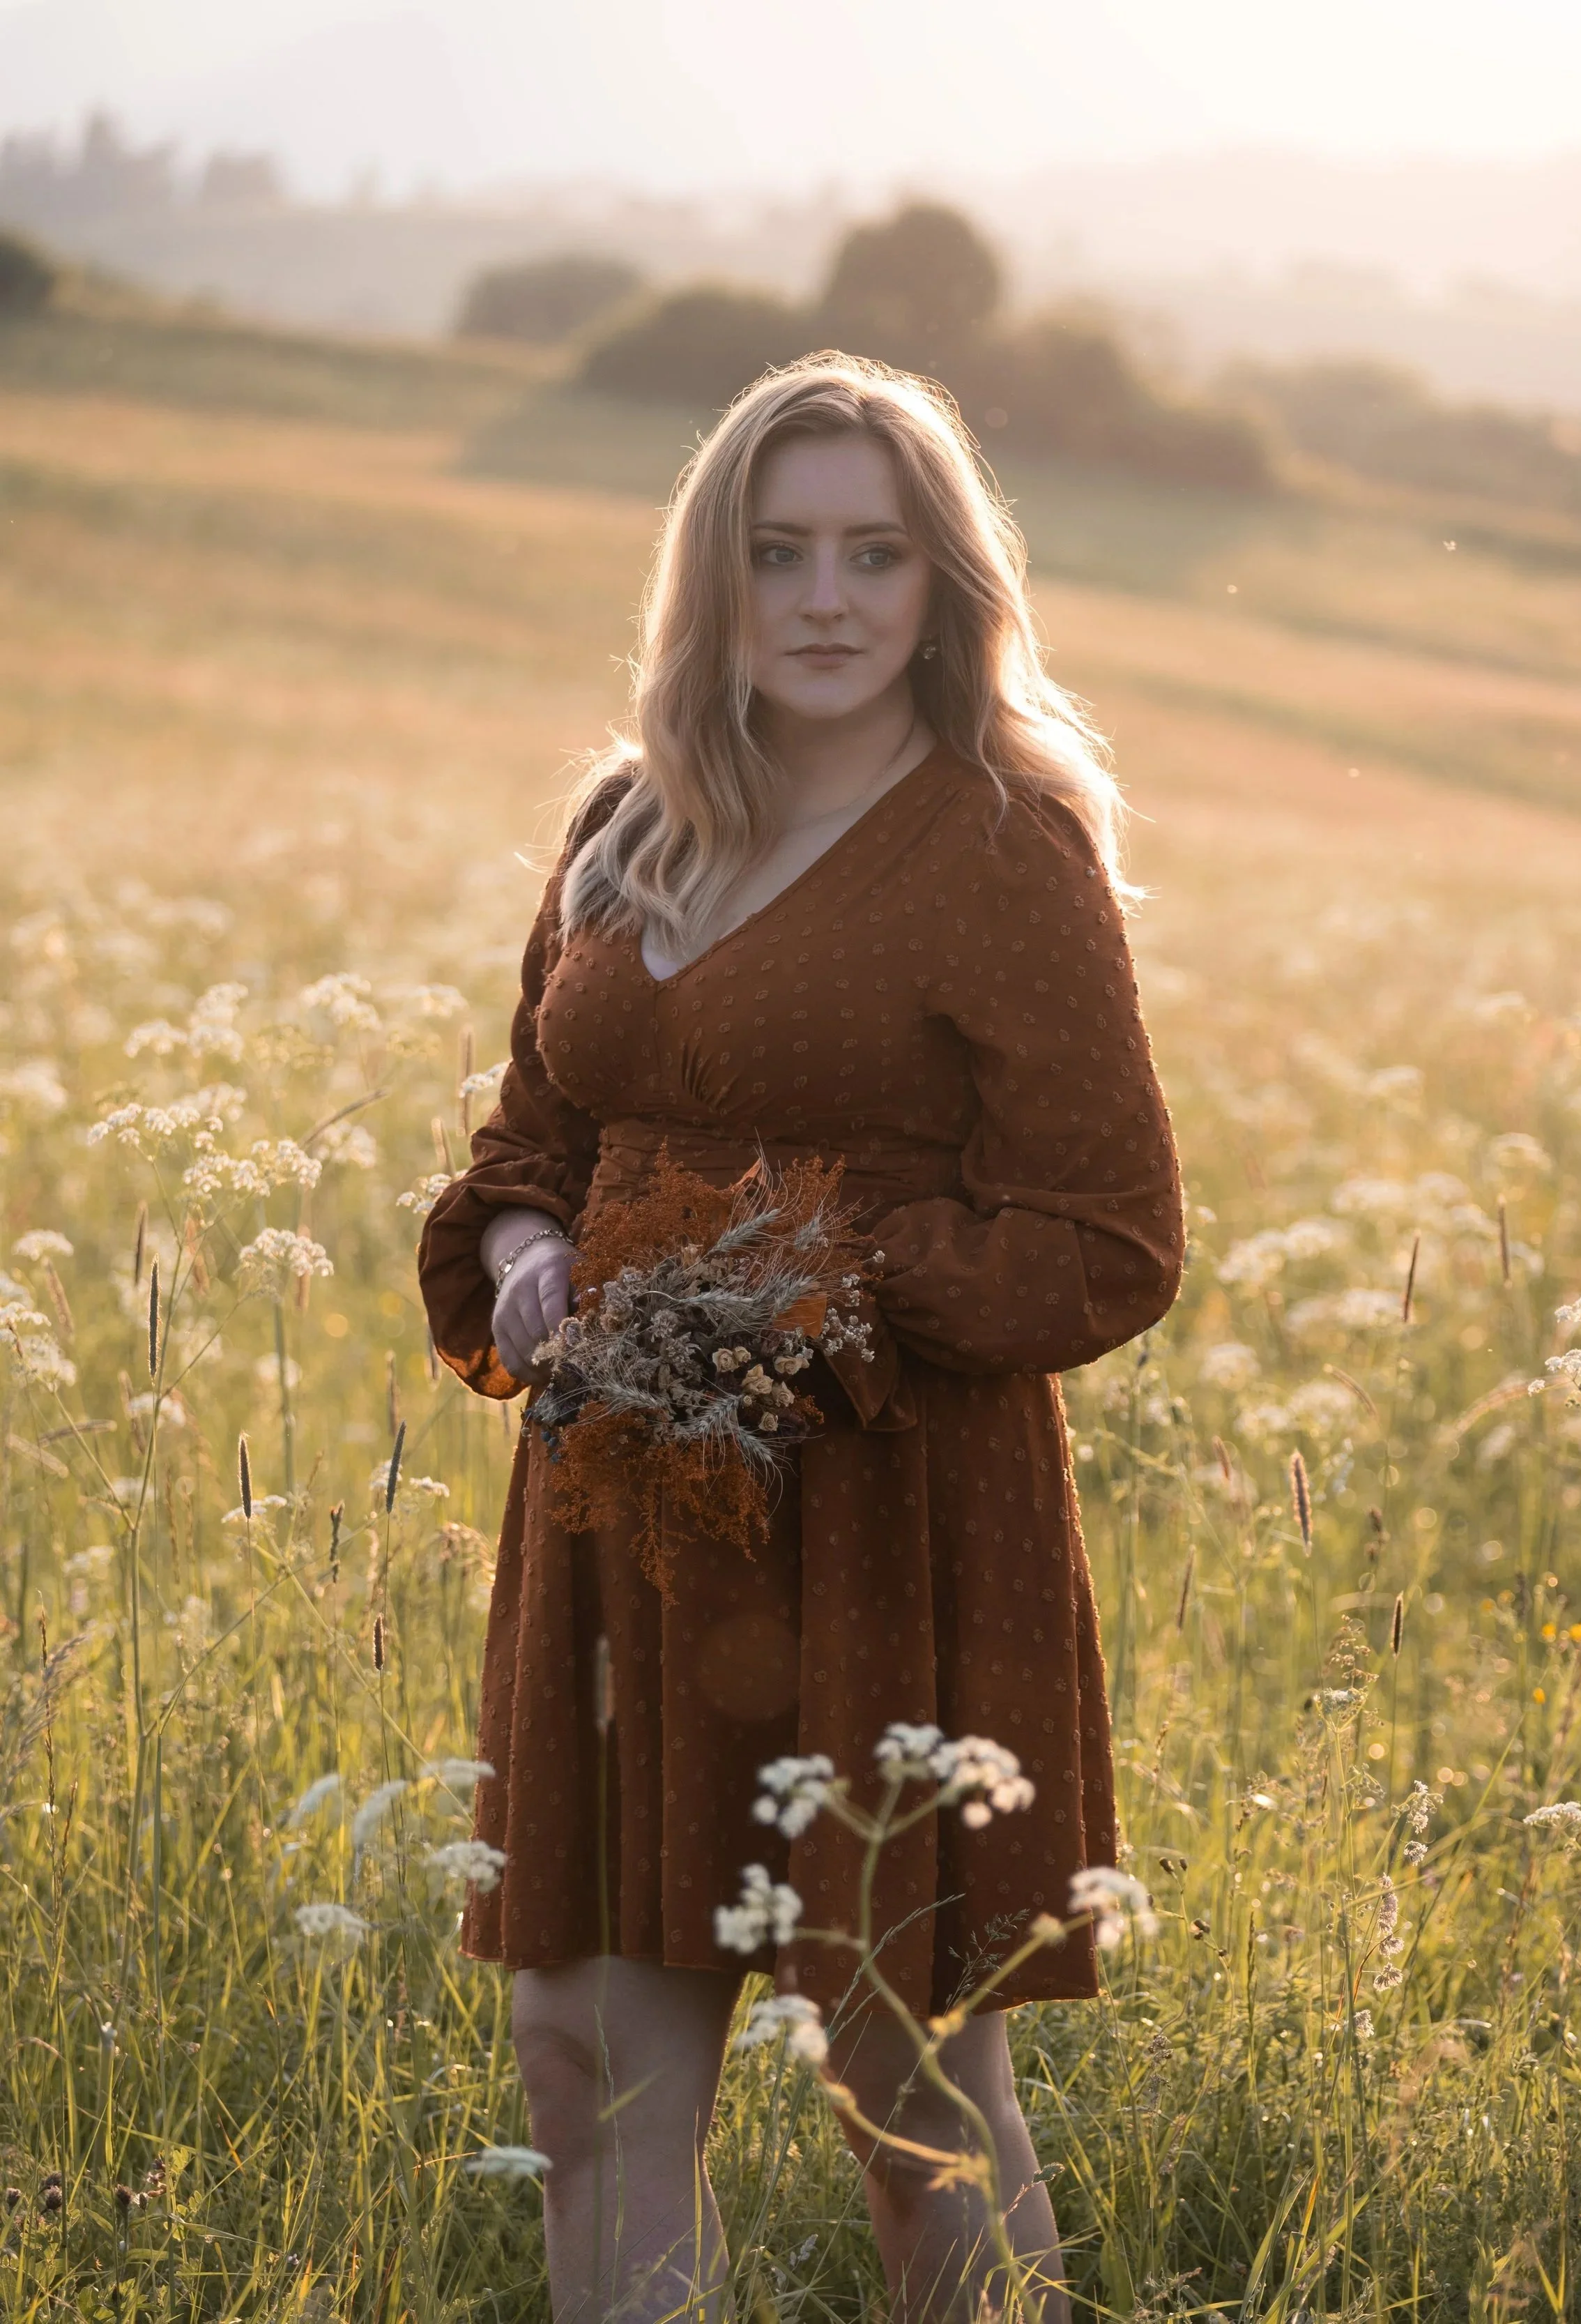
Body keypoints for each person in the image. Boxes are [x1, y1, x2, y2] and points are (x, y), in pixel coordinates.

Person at [418, 354, 1184, 2324]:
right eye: (779, 554)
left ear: (945, 584)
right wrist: (528, 1256)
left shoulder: (1001, 843)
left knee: (903, 2079)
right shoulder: (626, 820)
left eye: (873, 552)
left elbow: (1105, 1238)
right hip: (614, 1515)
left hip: (883, 1522)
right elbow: (534, 1142)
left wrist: (794, 1279)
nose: (826, 598)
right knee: (586, 2067)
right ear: (714, 580)